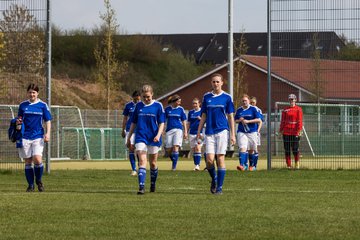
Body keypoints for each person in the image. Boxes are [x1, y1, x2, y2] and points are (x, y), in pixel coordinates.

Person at [197, 73, 236, 195]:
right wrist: (198, 131)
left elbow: (230, 116)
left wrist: (233, 134)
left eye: (217, 82)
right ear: (211, 83)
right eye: (213, 82)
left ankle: (219, 188)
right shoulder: (206, 97)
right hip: (209, 131)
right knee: (209, 160)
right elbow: (203, 115)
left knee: (220, 158)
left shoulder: (227, 97)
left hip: (222, 131)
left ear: (222, 83)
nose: (215, 84)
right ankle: (214, 179)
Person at [126, 85, 165, 194]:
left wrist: (158, 135)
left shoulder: (158, 105)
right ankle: (141, 187)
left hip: (153, 137)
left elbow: (162, 122)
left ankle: (152, 183)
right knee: (142, 161)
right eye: (144, 97)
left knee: (153, 163)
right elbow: (133, 122)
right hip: (141, 136)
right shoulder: (138, 106)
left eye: (148, 96)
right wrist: (129, 138)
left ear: (152, 94)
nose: (146, 99)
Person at [17, 83, 52, 192]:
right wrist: (17, 125)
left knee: (37, 159)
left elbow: (48, 121)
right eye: (30, 92)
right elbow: (19, 120)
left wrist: (48, 133)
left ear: (37, 93)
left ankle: (39, 181)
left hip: (38, 136)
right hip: (25, 136)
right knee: (28, 161)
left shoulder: (42, 105)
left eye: (34, 92)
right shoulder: (23, 105)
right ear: (27, 93)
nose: (32, 94)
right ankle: (31, 185)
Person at [235, 94, 262, 171]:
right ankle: (242, 165)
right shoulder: (239, 110)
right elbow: (235, 120)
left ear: (249, 101)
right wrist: (240, 120)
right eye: (243, 101)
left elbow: (259, 120)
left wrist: (248, 121)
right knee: (242, 147)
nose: (244, 102)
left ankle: (252, 166)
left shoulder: (253, 109)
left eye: (245, 101)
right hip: (242, 131)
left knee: (252, 150)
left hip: (252, 132)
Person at [279, 93, 303, 169]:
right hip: (286, 131)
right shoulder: (285, 110)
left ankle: (297, 163)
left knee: (295, 148)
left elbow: (300, 121)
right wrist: (281, 130)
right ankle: (289, 165)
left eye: (293, 99)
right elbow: (283, 121)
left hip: (295, 131)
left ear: (295, 100)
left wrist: (299, 130)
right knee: (287, 149)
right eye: (290, 99)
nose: (291, 101)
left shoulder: (298, 109)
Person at [164, 94, 187, 171]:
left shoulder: (181, 109)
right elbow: (163, 121)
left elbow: (184, 121)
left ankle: (174, 167)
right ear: (174, 101)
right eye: (178, 101)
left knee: (175, 146)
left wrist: (185, 132)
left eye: (180, 101)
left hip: (178, 129)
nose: (179, 102)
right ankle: (174, 160)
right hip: (169, 130)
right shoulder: (167, 109)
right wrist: (162, 130)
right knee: (168, 149)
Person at [121, 90, 141, 176]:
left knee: (139, 150)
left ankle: (141, 166)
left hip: (140, 129)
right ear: (133, 97)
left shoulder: (142, 105)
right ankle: (134, 169)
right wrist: (123, 129)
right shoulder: (128, 106)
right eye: (135, 98)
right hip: (130, 129)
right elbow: (125, 118)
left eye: (138, 98)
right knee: (131, 148)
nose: (137, 100)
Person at [187, 98, 203, 171]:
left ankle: (197, 165)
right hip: (192, 133)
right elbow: (189, 123)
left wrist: (201, 119)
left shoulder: (202, 111)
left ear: (199, 104)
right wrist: (186, 132)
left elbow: (206, 122)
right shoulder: (190, 112)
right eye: (193, 103)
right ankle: (196, 164)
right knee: (193, 150)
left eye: (196, 103)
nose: (194, 105)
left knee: (198, 148)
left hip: (200, 133)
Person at [249, 96, 264, 170]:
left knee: (255, 148)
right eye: (251, 102)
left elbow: (260, 121)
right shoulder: (247, 109)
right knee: (248, 149)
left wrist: (258, 130)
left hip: (255, 132)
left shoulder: (258, 110)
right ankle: (250, 165)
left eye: (253, 102)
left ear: (256, 102)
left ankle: (254, 166)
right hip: (247, 132)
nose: (252, 104)